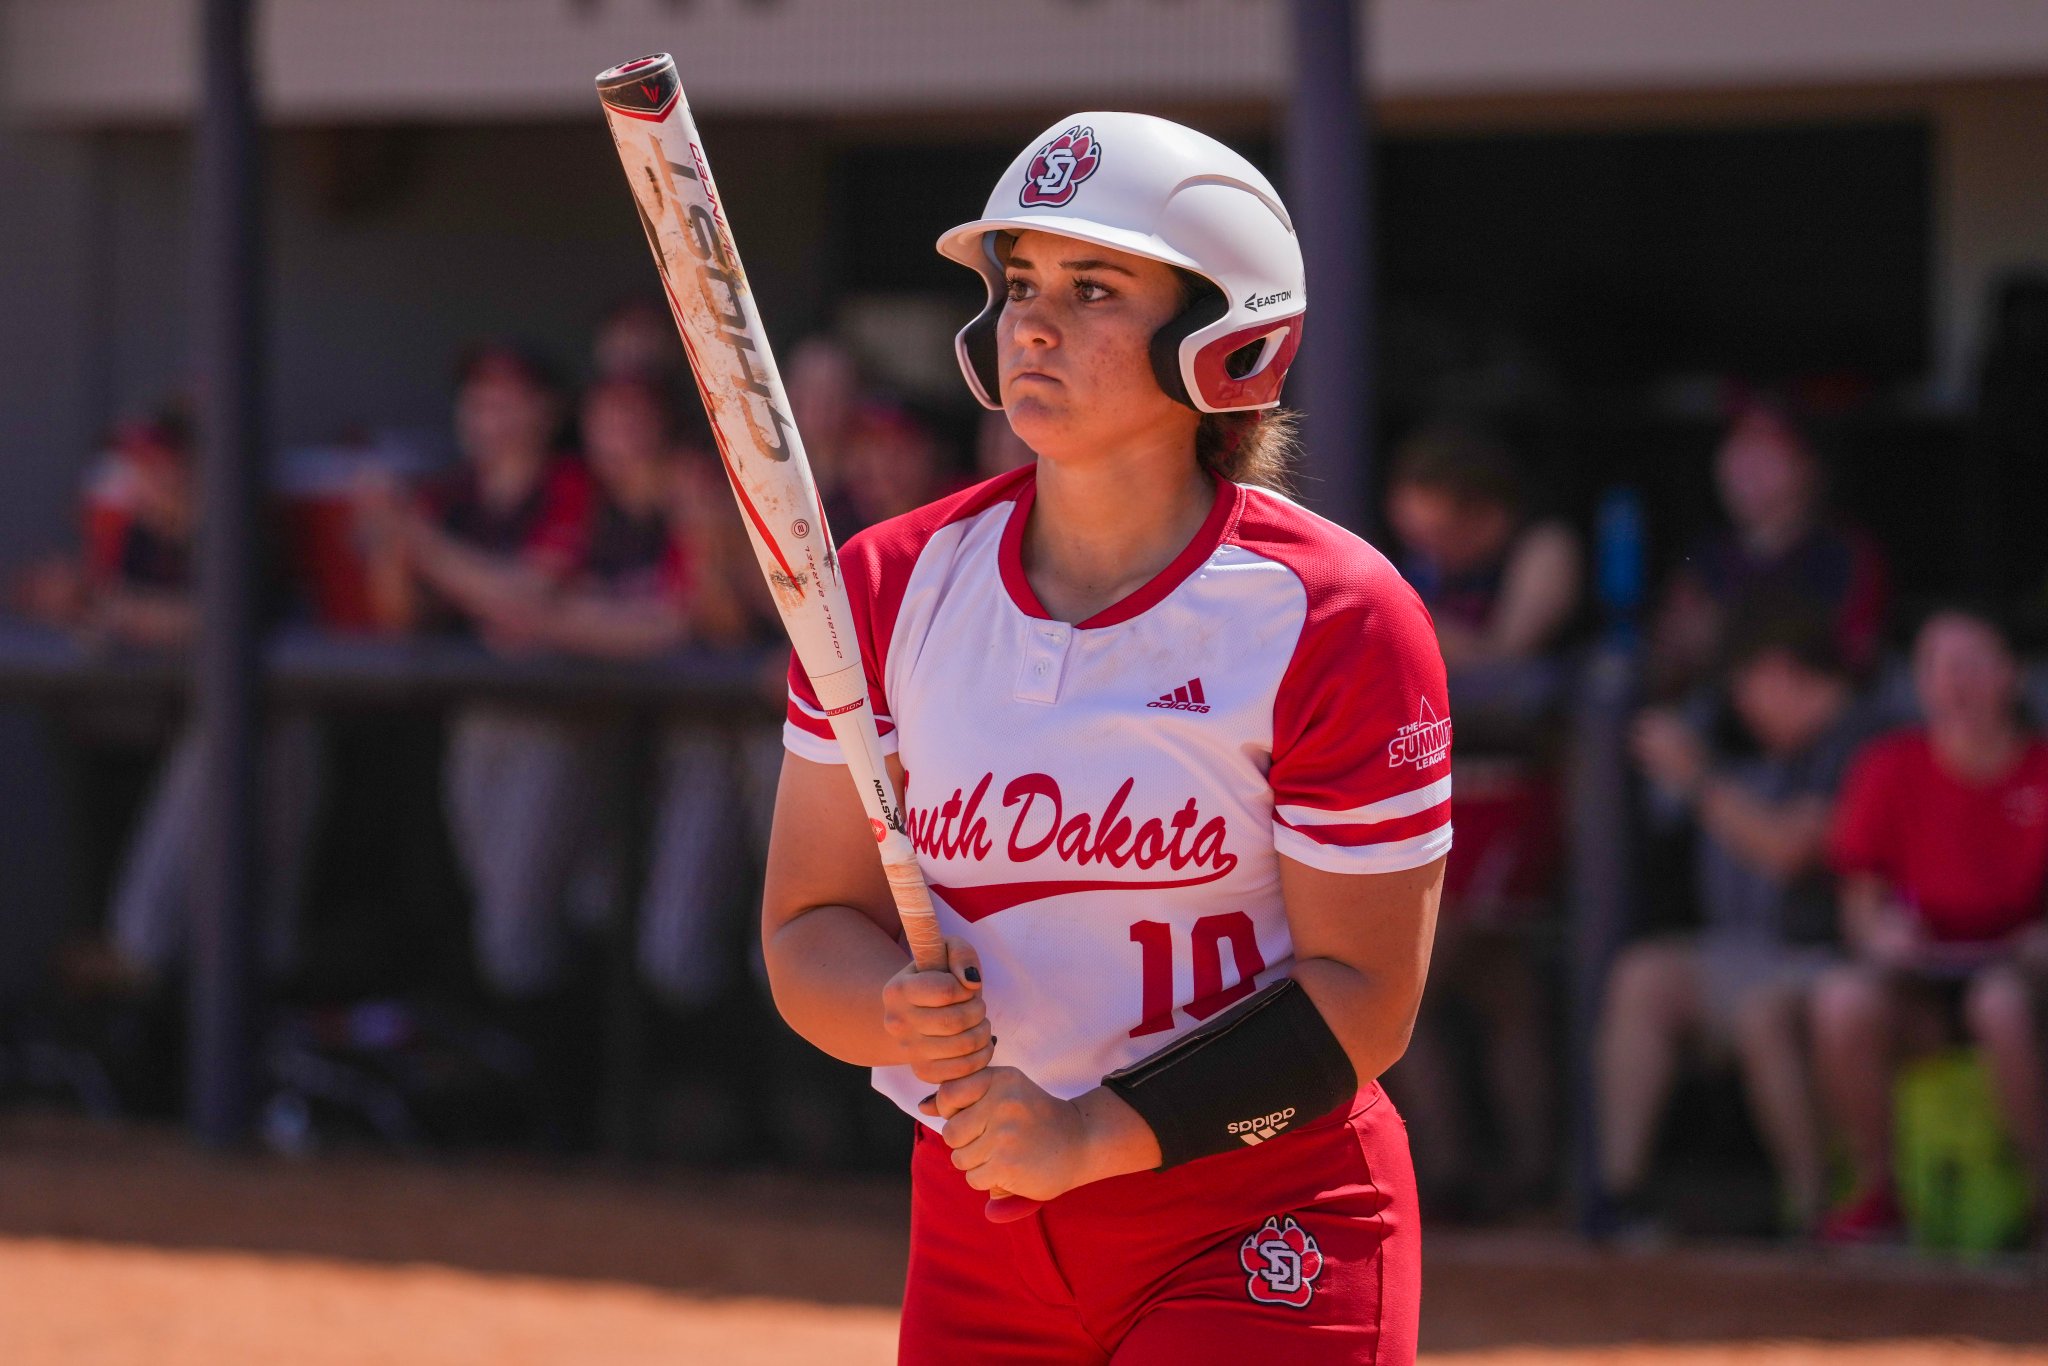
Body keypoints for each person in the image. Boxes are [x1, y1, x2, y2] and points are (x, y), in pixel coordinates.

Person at [762, 114, 1443, 1363]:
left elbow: (1365, 1003)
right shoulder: (882, 585)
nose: (1032, 322)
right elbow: (806, 929)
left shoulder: (1334, 614)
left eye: (1093, 289)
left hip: (1255, 1210)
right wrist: (889, 1012)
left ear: (1219, 338)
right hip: (980, 1220)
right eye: (1019, 284)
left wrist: (1092, 1135)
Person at [1597, 613, 1869, 1236]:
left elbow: (1788, 848)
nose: (1744, 703)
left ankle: (1813, 1213)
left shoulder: (1860, 736)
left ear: (1784, 674)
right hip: (1747, 953)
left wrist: (1695, 777)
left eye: (1751, 682)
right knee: (1645, 975)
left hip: (1836, 960)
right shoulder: (1737, 737)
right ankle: (1622, 1199)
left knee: (1763, 1012)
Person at [1380, 420, 1578, 1217]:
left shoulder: (1541, 546)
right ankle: (1500, 1175)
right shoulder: (1418, 570)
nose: (1437, 544)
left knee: (1407, 991)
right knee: (1499, 993)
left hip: (1516, 795)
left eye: (1447, 527)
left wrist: (1403, 615)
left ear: (1484, 511)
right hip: (1442, 792)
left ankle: (1464, 1176)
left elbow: (1506, 653)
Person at [1810, 607, 2048, 1243]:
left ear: (2012, 676)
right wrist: (1883, 936)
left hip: (2021, 980)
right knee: (1842, 1002)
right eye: (1938, 668)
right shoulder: (1888, 766)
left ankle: (2040, 1201)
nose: (1955, 684)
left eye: (1972, 665)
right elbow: (1859, 905)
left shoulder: (2041, 770)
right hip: (1922, 981)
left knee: (2000, 1005)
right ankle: (1878, 1193)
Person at [1650, 397, 1889, 697]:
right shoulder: (1704, 555)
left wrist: (1728, 639)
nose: (1745, 464)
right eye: (1738, 443)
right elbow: (1665, 668)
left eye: (1765, 448)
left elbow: (1847, 675)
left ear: (1808, 464)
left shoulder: (1844, 556)